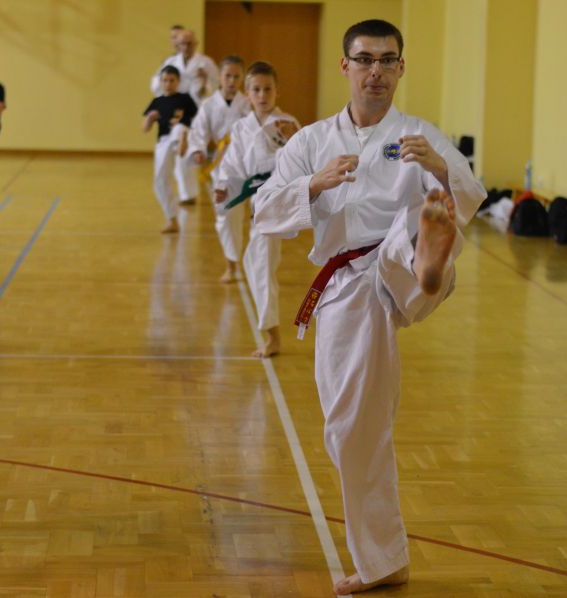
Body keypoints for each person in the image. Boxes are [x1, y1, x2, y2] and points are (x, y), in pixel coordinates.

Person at [253, 19, 486, 594]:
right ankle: (386, 560)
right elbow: (263, 210)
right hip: (346, 287)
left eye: (387, 60)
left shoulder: (418, 135)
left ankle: (427, 252)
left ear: (401, 68)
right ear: (346, 66)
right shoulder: (312, 141)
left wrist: (439, 169)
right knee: (351, 426)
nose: (376, 71)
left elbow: (472, 194)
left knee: (409, 232)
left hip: (395, 262)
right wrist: (314, 184)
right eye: (365, 59)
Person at [214, 62, 299, 358]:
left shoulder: (287, 124)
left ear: (277, 91)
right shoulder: (241, 126)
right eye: (256, 90)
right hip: (253, 196)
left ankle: (272, 336)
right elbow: (232, 164)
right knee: (254, 261)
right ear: (247, 94)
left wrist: (290, 142)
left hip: (276, 199)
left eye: (267, 89)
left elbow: (300, 161)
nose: (262, 95)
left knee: (260, 262)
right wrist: (223, 185)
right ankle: (271, 331)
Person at [186, 55, 251, 283]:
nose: (232, 81)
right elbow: (198, 132)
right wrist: (198, 149)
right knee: (225, 215)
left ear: (242, 78)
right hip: (222, 168)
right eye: (227, 76)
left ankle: (251, 264)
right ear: (220, 77)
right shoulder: (208, 105)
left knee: (252, 218)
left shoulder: (249, 104)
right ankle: (231, 263)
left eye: (236, 76)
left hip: (249, 167)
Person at [151, 30, 219, 205]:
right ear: (178, 45)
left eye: (190, 43)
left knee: (189, 151)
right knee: (178, 151)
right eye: (183, 43)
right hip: (175, 113)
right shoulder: (171, 62)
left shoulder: (206, 63)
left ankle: (191, 193)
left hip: (196, 112)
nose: (187, 47)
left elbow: (215, 86)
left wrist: (204, 82)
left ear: (196, 44)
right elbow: (156, 84)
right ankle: (186, 193)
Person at [142, 66, 198, 233]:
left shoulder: (185, 98)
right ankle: (172, 220)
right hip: (164, 142)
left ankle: (181, 142)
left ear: (178, 82)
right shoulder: (157, 102)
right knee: (159, 182)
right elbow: (144, 129)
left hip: (184, 135)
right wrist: (150, 119)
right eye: (164, 80)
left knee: (179, 128)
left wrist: (184, 125)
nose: (168, 84)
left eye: (171, 80)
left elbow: (198, 117)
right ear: (160, 82)